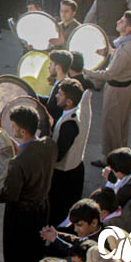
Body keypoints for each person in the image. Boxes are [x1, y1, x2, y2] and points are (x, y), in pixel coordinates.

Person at [0, 107, 58, 262]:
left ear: (22, 131)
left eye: (14, 126)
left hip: (21, 215)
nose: (12, 128)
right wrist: (20, 148)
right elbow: (34, 157)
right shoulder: (49, 145)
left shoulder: (18, 163)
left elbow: (10, 194)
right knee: (35, 250)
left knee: (17, 254)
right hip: (42, 207)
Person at [85, 11, 131, 168]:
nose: (118, 22)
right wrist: (109, 52)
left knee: (111, 126)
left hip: (117, 91)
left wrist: (87, 72)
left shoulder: (125, 49)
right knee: (121, 125)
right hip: (126, 88)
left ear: (128, 28)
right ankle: (121, 155)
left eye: (122, 21)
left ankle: (110, 160)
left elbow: (109, 74)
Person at [48, 79, 88, 227]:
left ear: (69, 102)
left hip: (64, 177)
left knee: (58, 215)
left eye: (60, 94)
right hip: (74, 170)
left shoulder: (69, 125)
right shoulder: (76, 111)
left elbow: (58, 155)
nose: (56, 96)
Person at [40, 50, 74, 122]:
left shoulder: (65, 88)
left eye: (51, 64)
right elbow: (51, 101)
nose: (48, 67)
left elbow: (54, 111)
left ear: (58, 67)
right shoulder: (59, 82)